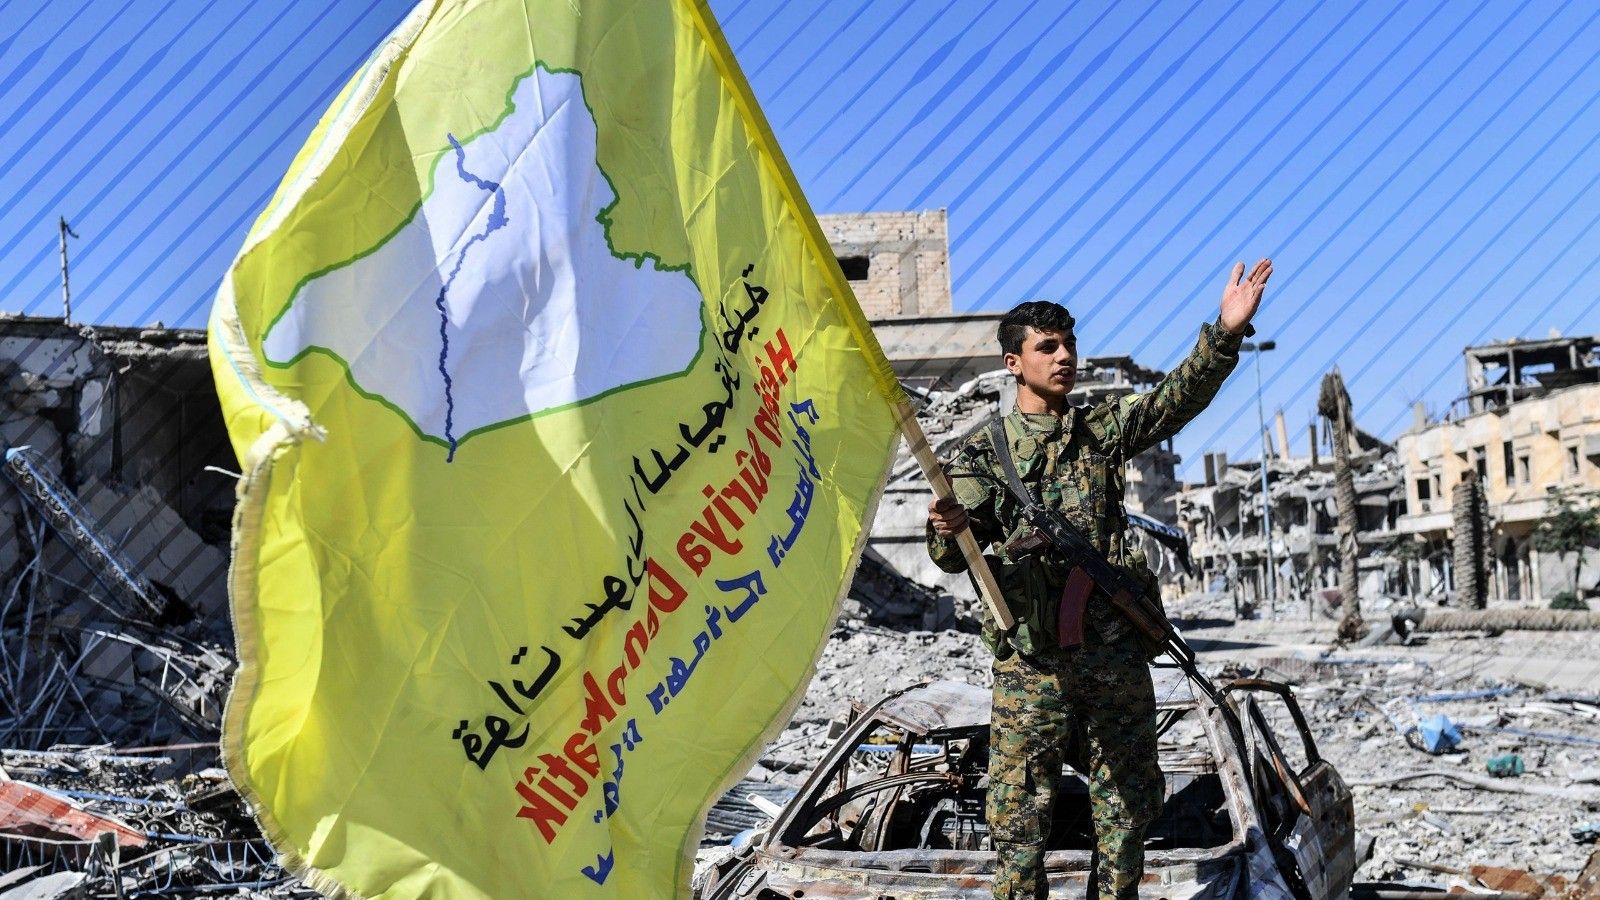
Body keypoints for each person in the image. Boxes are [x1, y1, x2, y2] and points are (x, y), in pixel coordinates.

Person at [926, 260, 1272, 900]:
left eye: (1070, 344)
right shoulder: (983, 453)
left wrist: (1224, 333)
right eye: (1047, 347)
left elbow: (1174, 400)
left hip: (1113, 656)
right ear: (1013, 363)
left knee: (1128, 812)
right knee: (1019, 824)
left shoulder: (1099, 431)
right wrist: (950, 529)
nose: (1064, 357)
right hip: (1033, 667)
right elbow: (954, 556)